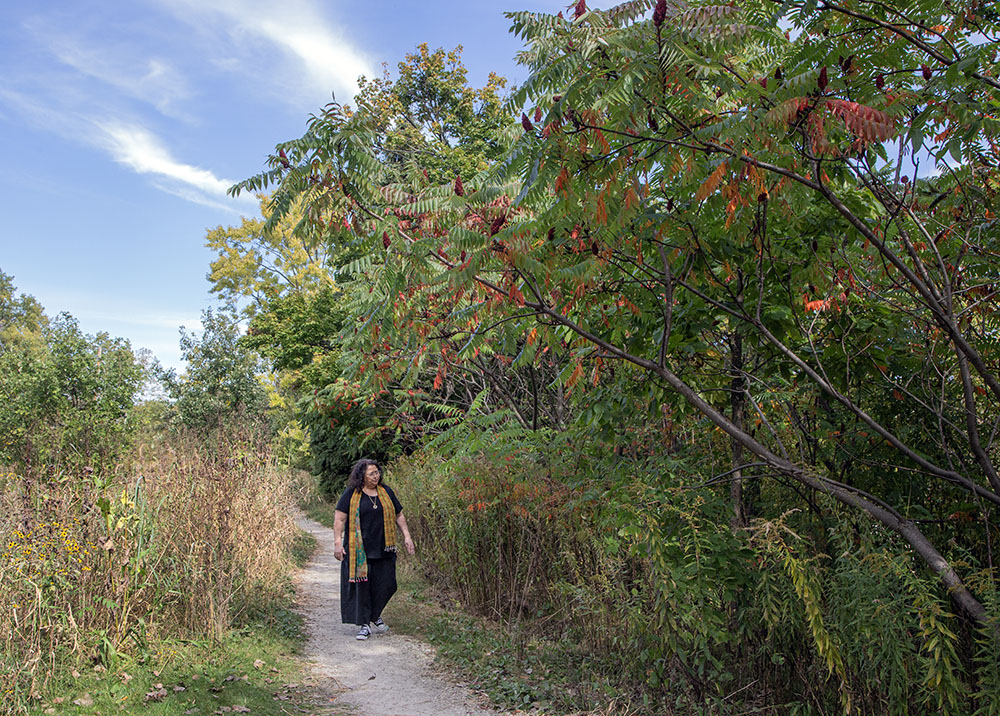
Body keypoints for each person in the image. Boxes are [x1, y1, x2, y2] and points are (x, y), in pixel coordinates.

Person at [332, 459, 415, 640]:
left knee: (388, 584)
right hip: (359, 550)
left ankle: (374, 615)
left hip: (384, 548)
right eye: (371, 473)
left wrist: (407, 536)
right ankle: (364, 624)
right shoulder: (351, 494)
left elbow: (398, 515)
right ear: (362, 476)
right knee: (363, 587)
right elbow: (339, 519)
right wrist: (338, 543)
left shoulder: (386, 492)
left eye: (377, 472)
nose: (375, 476)